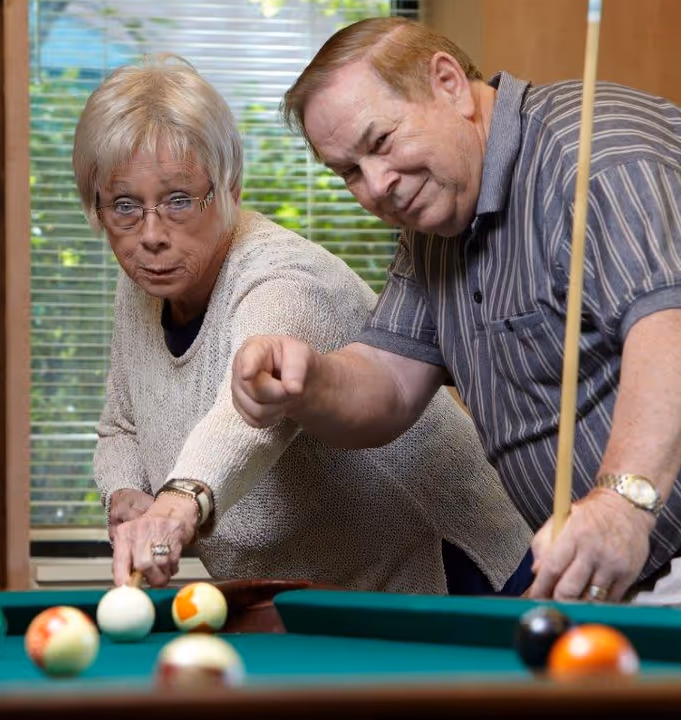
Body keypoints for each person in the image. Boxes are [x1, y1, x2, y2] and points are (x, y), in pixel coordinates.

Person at [231, 17, 681, 613]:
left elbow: (677, 328)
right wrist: (306, 382)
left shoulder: (602, 153)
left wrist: (618, 503)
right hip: (647, 548)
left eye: (380, 143)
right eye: (347, 171)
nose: (375, 187)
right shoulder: (435, 224)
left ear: (448, 85)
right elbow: (386, 382)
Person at [76, 55, 532, 595]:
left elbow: (248, 416)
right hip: (311, 597)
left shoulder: (284, 278)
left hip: (446, 571)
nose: (150, 233)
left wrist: (176, 507)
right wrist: (128, 496)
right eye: (125, 206)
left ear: (230, 188)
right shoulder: (144, 285)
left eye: (178, 200)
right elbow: (122, 425)